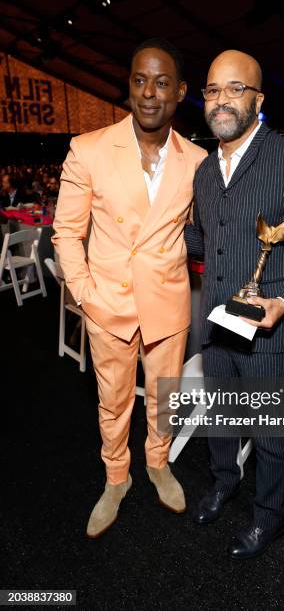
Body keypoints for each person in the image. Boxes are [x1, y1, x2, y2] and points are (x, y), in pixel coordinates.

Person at [185, 50, 284, 559]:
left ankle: (269, 517)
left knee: (270, 433)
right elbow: (208, 239)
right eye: (213, 90)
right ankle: (223, 481)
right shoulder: (206, 172)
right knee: (220, 417)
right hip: (214, 321)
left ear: (258, 99)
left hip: (268, 332)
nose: (222, 100)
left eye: (236, 89)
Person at [52, 38, 206, 538]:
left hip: (167, 301)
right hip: (108, 303)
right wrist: (86, 294)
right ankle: (116, 476)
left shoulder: (198, 161)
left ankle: (158, 464)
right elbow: (66, 233)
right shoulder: (89, 148)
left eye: (162, 83)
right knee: (113, 400)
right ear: (129, 85)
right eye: (140, 80)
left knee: (164, 396)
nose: (148, 93)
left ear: (180, 92)